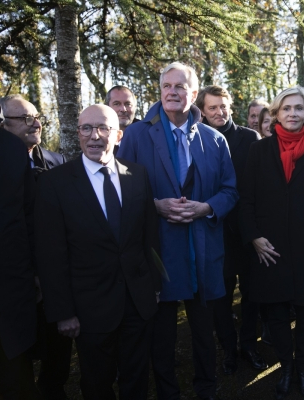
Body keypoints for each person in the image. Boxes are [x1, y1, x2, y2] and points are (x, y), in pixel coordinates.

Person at [118, 62, 237, 400]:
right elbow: (122, 190)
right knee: (162, 333)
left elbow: (230, 190)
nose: (172, 92)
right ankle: (168, 392)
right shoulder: (138, 135)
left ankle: (207, 388)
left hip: (202, 248)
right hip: (159, 250)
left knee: (203, 330)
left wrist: (206, 207)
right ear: (160, 91)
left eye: (180, 86)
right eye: (167, 86)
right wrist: (154, 205)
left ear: (194, 94)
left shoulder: (215, 139)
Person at [34, 104, 162, 399]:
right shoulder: (55, 183)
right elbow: (51, 254)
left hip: (137, 303)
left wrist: (154, 286)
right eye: (86, 128)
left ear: (118, 135)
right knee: (96, 384)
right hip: (88, 309)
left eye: (103, 128)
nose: (95, 136)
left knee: (137, 379)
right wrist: (62, 312)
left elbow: (149, 237)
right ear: (78, 133)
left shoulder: (137, 175)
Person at [240, 86, 304, 400]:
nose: (293, 114)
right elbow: (246, 201)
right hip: (270, 248)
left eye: (298, 108)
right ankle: (286, 368)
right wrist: (254, 237)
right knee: (277, 313)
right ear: (276, 113)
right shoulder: (259, 151)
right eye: (286, 108)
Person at [0, 94, 71, 399]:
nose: (36, 123)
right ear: (2, 125)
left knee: (59, 347)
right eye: (25, 118)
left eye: (37, 116)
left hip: (55, 276)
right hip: (14, 280)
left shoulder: (58, 162)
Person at [195, 85, 267, 375]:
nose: (219, 112)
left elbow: (259, 187)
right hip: (214, 229)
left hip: (248, 230)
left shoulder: (250, 138)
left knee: (252, 293)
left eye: (223, 106)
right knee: (220, 296)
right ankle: (228, 348)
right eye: (212, 107)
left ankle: (249, 344)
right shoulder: (196, 138)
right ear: (201, 110)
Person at [0, 62, 39, 399]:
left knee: (15, 382)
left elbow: (29, 216)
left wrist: (35, 272)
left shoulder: (9, 147)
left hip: (8, 293)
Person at [0, 95, 66, 175]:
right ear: (2, 125)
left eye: (37, 118)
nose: (38, 125)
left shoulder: (58, 162)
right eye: (27, 119)